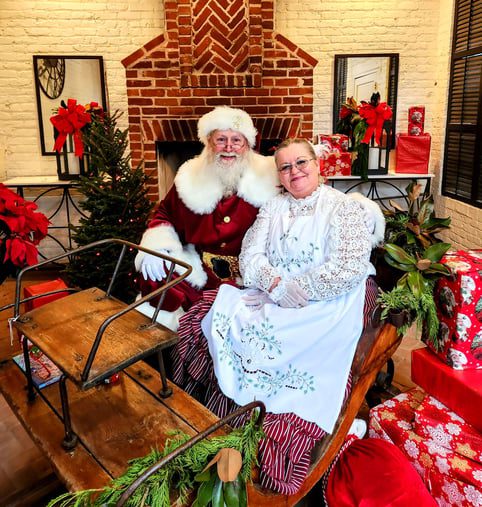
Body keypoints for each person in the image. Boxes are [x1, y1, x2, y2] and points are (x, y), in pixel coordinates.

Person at [172, 138, 385, 494]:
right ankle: (217, 419)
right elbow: (250, 256)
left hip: (325, 298)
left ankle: (282, 427)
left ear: (318, 166)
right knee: (219, 313)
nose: (294, 172)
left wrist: (299, 289)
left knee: (292, 345)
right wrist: (275, 284)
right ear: (279, 175)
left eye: (301, 163)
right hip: (274, 293)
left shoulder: (343, 208)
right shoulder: (273, 208)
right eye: (285, 167)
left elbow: (347, 267)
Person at [134, 106, 279, 329]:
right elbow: (165, 213)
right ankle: (166, 345)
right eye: (221, 139)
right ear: (209, 143)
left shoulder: (271, 175)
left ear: (247, 145)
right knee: (157, 271)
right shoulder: (189, 174)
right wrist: (158, 245)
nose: (228, 147)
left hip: (252, 274)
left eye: (236, 140)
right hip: (201, 272)